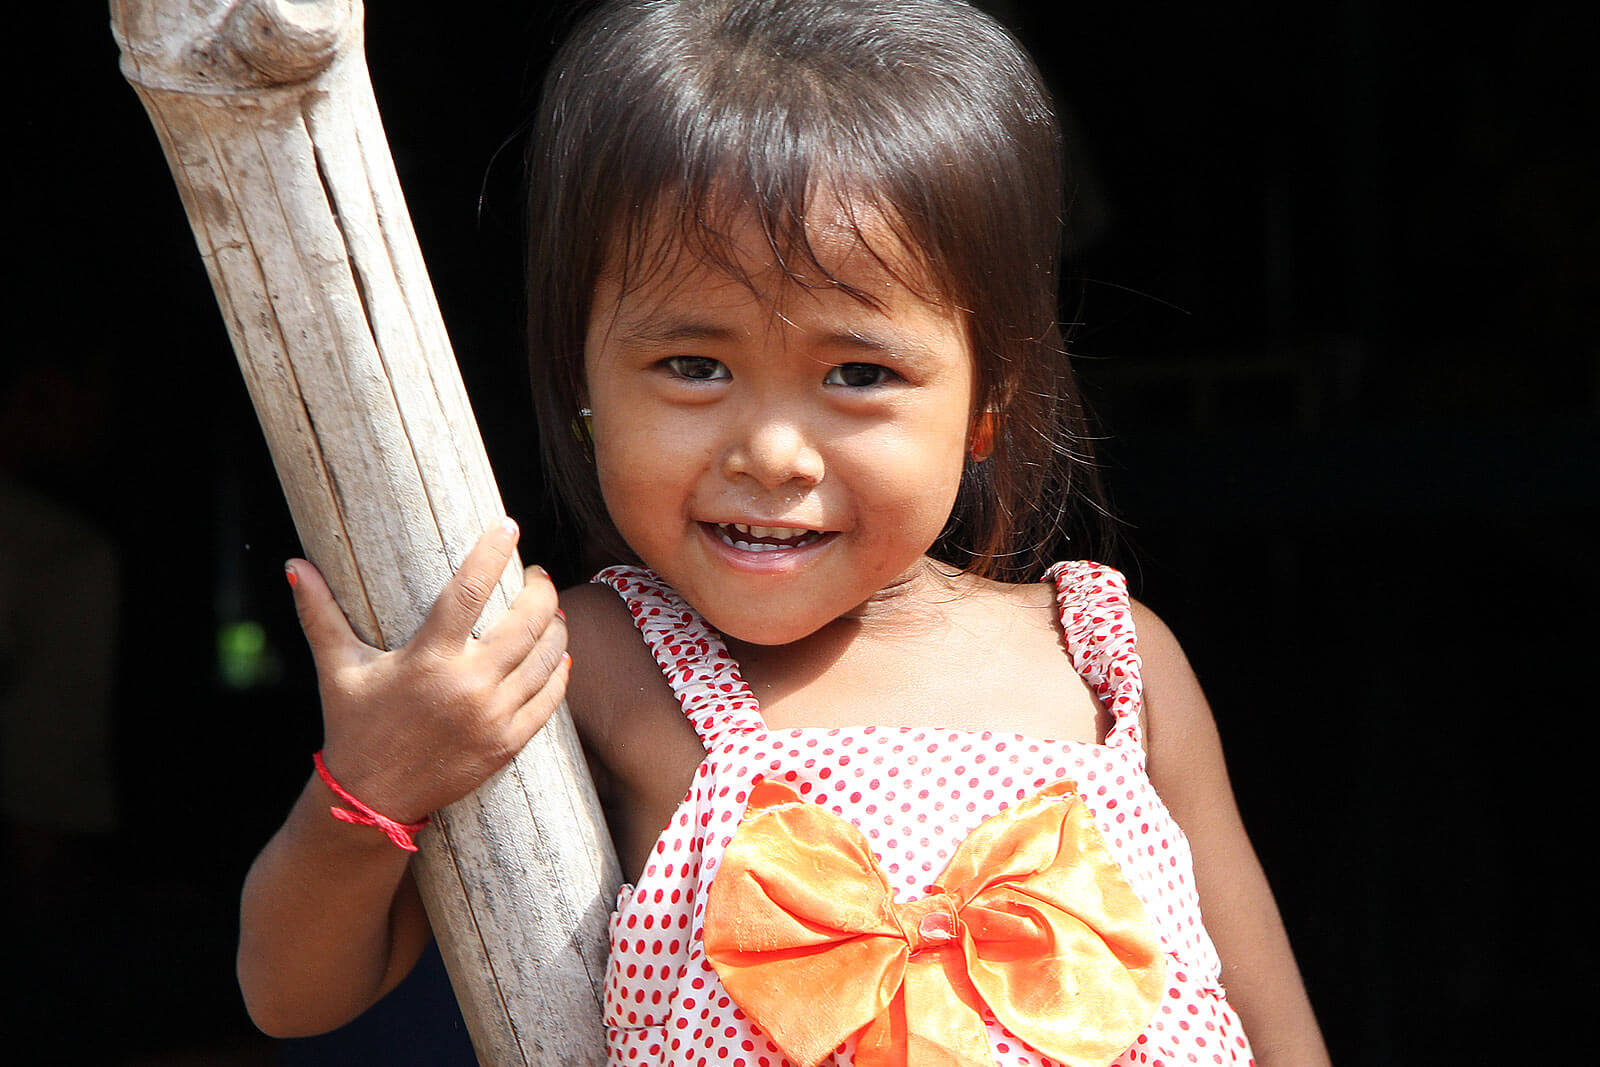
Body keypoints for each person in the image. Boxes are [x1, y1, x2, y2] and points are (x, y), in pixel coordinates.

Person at [238, 1, 1330, 1063]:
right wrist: (371, 782)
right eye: (693, 366)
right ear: (585, 381)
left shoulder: (1107, 661)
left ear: (988, 396)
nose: (771, 452)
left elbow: (1277, 1034)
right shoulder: (583, 662)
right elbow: (294, 992)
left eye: (859, 374)